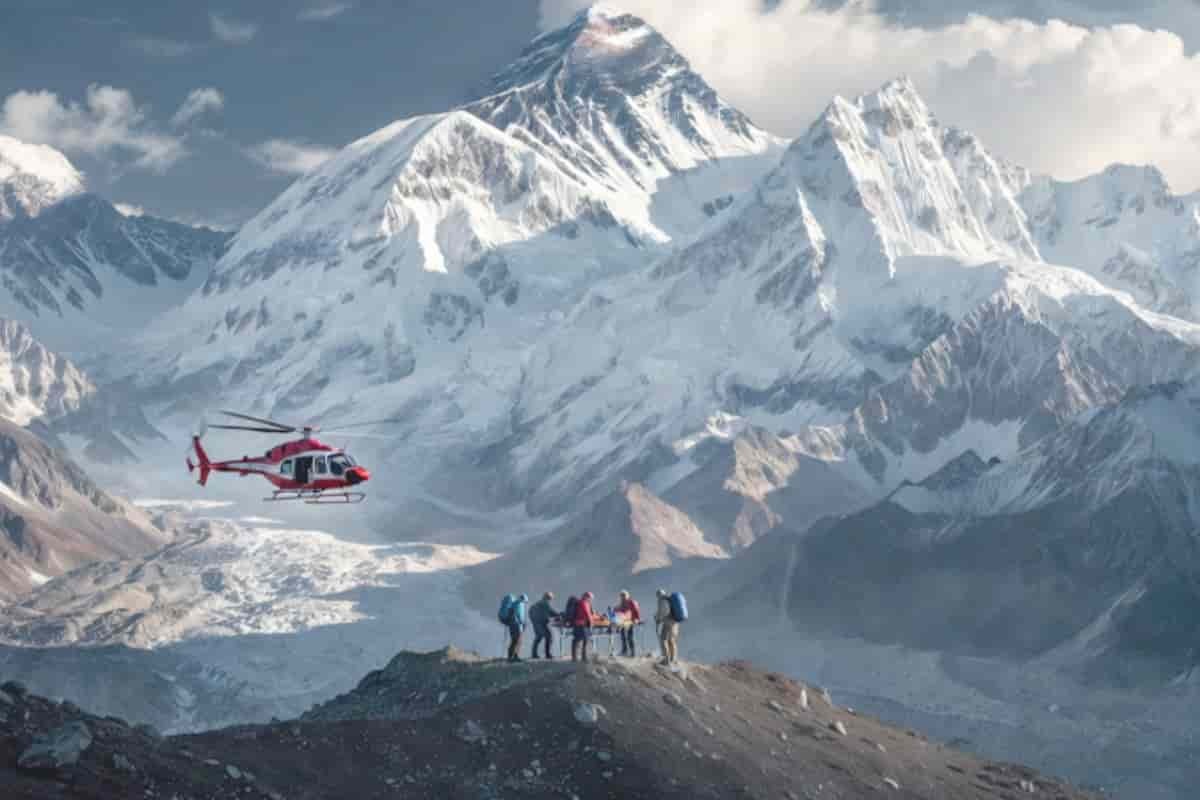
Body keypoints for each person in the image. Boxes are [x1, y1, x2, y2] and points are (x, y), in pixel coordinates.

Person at [528, 592, 560, 660]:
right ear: (548, 597)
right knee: (547, 636)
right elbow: (551, 612)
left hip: (537, 623)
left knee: (540, 637)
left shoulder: (538, 603)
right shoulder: (545, 603)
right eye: (551, 598)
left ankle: (535, 654)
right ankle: (547, 654)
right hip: (541, 623)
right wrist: (559, 615)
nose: (551, 599)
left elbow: (549, 612)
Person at [655, 588, 679, 666]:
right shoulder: (669, 600)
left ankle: (666, 660)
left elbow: (663, 612)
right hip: (675, 622)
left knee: (663, 640)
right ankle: (673, 659)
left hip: (668, 622)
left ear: (658, 595)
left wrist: (657, 618)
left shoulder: (662, 601)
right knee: (671, 640)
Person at [615, 590, 641, 657]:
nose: (622, 597)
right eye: (621, 596)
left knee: (630, 637)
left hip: (630, 621)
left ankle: (633, 653)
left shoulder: (631, 602)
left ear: (627, 595)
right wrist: (616, 609)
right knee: (623, 636)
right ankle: (624, 651)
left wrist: (637, 619)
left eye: (624, 595)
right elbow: (620, 611)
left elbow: (636, 610)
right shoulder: (622, 603)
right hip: (623, 621)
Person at [571, 591, 595, 663]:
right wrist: (591, 623)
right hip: (582, 624)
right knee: (585, 640)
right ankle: (584, 657)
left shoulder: (578, 602)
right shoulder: (584, 603)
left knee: (576, 640)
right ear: (587, 597)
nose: (591, 600)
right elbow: (587, 613)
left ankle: (574, 657)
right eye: (590, 598)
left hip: (576, 624)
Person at [507, 593, 528, 662]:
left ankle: (511, 656)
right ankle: (514, 657)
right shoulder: (520, 604)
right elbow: (519, 616)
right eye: (525, 602)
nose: (525, 603)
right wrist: (523, 623)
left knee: (514, 641)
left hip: (512, 625)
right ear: (524, 600)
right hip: (517, 626)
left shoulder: (514, 603)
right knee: (518, 641)